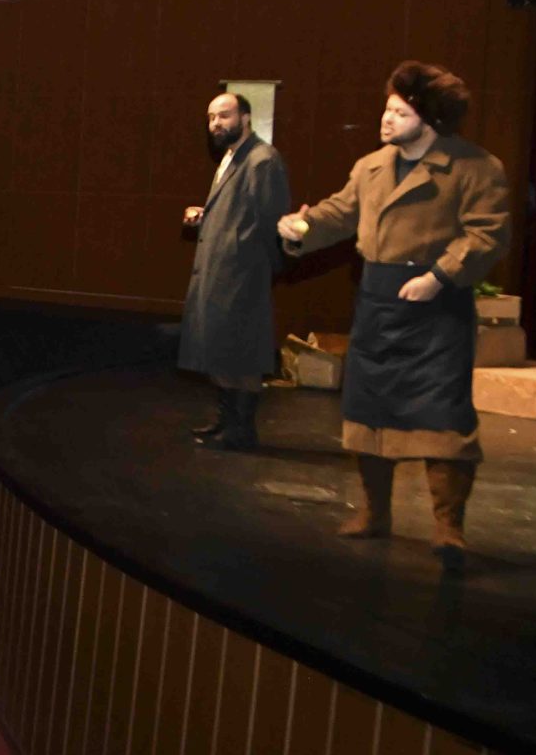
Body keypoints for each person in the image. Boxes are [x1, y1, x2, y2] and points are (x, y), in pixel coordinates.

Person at [278, 61, 510, 569]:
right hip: (379, 301)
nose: (385, 118)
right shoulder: (371, 166)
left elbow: (487, 235)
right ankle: (373, 513)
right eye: (387, 108)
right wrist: (302, 227)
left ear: (429, 120)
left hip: (436, 307)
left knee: (442, 418)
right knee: (370, 412)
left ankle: (449, 528)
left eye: (398, 111)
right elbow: (340, 212)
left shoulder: (476, 168)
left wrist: (439, 276)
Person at [177, 88, 290, 451]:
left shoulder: (262, 160)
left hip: (242, 274)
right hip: (223, 270)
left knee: (241, 353)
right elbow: (238, 213)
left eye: (223, 115)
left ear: (245, 118)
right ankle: (226, 422)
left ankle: (242, 429)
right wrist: (206, 217)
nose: (215, 123)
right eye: (210, 117)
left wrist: (257, 270)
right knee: (223, 349)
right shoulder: (231, 157)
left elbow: (270, 221)